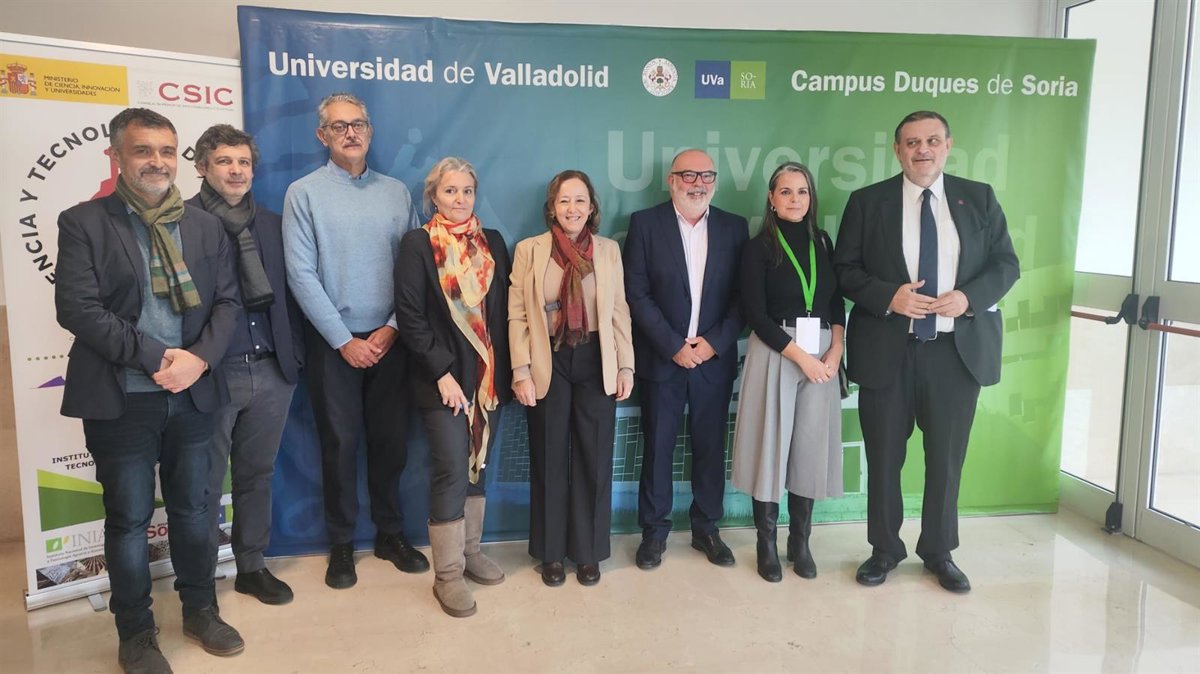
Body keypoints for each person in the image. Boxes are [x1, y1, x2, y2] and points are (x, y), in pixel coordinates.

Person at [55, 107, 243, 673]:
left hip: (194, 394)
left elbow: (228, 304)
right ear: (116, 156)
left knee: (195, 510)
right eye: (142, 150)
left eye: (165, 150)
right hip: (122, 399)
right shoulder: (84, 222)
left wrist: (198, 361)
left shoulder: (206, 226)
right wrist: (159, 358)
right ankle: (136, 632)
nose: (156, 162)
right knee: (129, 520)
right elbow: (78, 309)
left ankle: (200, 610)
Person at [833, 110, 1020, 593]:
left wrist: (969, 298)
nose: (923, 150)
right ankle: (884, 550)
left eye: (932, 140)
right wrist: (888, 296)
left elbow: (1006, 264)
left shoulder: (978, 198)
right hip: (887, 351)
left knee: (946, 460)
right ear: (897, 150)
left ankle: (939, 552)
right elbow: (845, 270)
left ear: (948, 146)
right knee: (883, 458)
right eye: (912, 142)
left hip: (956, 353)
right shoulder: (867, 201)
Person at [282, 92, 427, 590]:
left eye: (358, 124)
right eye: (339, 126)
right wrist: (344, 339)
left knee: (391, 444)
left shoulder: (397, 193)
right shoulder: (304, 193)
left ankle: (390, 534)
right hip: (334, 344)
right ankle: (341, 544)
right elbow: (300, 273)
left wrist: (393, 326)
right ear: (322, 135)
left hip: (392, 340)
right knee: (339, 447)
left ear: (370, 131)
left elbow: (416, 270)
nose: (351, 133)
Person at [188, 124, 304, 605]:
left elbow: (294, 291)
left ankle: (251, 567)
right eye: (224, 161)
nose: (236, 171)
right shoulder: (182, 221)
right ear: (202, 167)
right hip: (213, 373)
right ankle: (198, 582)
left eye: (244, 162)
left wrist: (293, 354)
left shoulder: (273, 224)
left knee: (257, 474)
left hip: (272, 369)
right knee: (204, 482)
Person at [394, 157, 511, 618]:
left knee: (477, 465)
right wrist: (441, 373)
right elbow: (410, 316)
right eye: (450, 191)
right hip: (441, 379)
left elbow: (503, 313)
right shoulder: (418, 244)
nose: (459, 199)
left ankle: (471, 552)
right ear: (433, 196)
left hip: (486, 379)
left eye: (466, 191)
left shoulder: (494, 242)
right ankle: (446, 575)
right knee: (450, 467)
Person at [623, 149, 748, 570]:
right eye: (689, 175)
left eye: (706, 175)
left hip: (713, 359)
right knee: (658, 447)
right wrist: (673, 344)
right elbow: (636, 292)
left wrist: (713, 343)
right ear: (672, 180)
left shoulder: (734, 227)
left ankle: (706, 529)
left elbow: (744, 296)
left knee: (710, 447)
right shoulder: (646, 224)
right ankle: (654, 533)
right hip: (663, 358)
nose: (698, 183)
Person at [509, 170, 634, 587]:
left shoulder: (608, 251)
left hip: (597, 359)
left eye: (580, 200)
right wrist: (521, 371)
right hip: (548, 359)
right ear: (552, 207)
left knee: (593, 458)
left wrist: (626, 366)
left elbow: (619, 310)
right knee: (548, 458)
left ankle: (587, 552)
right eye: (564, 200)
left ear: (592, 207)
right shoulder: (529, 250)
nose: (572, 208)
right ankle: (551, 553)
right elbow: (517, 315)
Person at [732, 162, 845, 583]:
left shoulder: (823, 241)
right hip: (777, 350)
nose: (795, 199)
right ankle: (766, 544)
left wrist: (836, 348)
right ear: (771, 198)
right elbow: (755, 314)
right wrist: (802, 357)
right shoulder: (758, 247)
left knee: (810, 448)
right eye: (786, 192)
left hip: (823, 354)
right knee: (770, 446)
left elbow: (835, 302)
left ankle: (801, 542)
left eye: (802, 192)